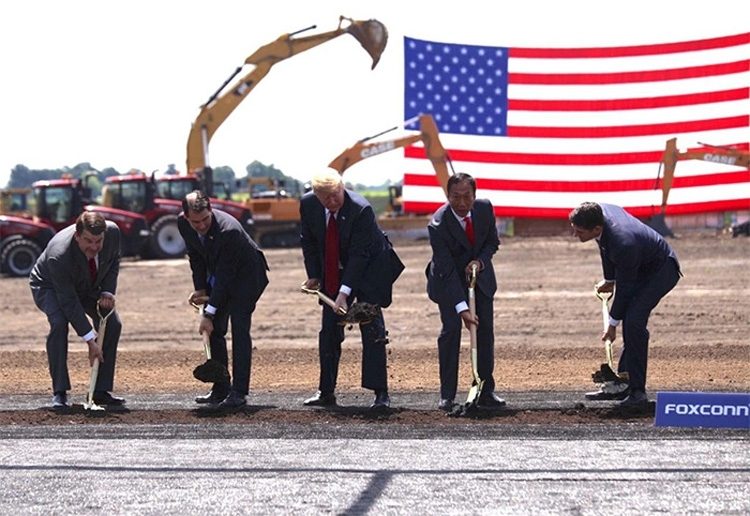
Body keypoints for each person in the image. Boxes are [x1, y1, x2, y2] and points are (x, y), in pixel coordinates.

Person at [299, 170, 404, 409]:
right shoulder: (308, 205)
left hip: (370, 268)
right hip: (333, 269)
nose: (332, 201)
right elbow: (308, 241)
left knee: (372, 326)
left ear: (342, 186)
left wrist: (344, 295)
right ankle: (326, 392)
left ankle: (381, 394)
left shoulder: (361, 210)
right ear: (316, 195)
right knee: (329, 330)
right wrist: (314, 275)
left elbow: (359, 256)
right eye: (325, 197)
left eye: (335, 194)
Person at [569, 202, 681, 407]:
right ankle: (619, 386)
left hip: (661, 270)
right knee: (631, 321)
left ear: (597, 227)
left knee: (634, 323)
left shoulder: (623, 243)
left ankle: (637, 392)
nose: (574, 235)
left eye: (579, 231)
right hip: (638, 264)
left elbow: (626, 290)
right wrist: (609, 279)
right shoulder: (599, 214)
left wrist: (612, 325)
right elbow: (603, 245)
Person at [178, 190, 269, 409]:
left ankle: (238, 392)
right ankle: (220, 388)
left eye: (205, 220)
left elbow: (226, 278)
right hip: (220, 273)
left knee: (238, 326)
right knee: (216, 330)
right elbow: (196, 256)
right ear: (186, 217)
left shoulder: (229, 232)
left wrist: (208, 313)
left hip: (246, 277)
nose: (201, 225)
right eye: (195, 222)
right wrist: (200, 289)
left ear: (211, 211)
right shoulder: (183, 223)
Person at [426, 172, 506, 412]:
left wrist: (479, 263)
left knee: (484, 332)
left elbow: (492, 242)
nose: (461, 203)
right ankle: (447, 395)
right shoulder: (438, 224)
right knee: (451, 331)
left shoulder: (484, 209)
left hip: (480, 279)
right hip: (447, 282)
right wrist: (462, 309)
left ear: (475, 195)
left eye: (466, 196)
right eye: (455, 197)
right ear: (447, 196)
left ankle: (484, 389)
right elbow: (446, 268)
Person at [29, 211, 124, 409]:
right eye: (88, 241)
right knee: (59, 323)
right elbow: (69, 301)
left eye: (99, 241)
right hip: (50, 286)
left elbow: (113, 261)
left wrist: (107, 291)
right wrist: (90, 340)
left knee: (112, 323)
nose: (95, 247)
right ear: (77, 236)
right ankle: (60, 392)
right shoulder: (59, 254)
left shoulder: (113, 232)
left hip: (88, 284)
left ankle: (100, 390)